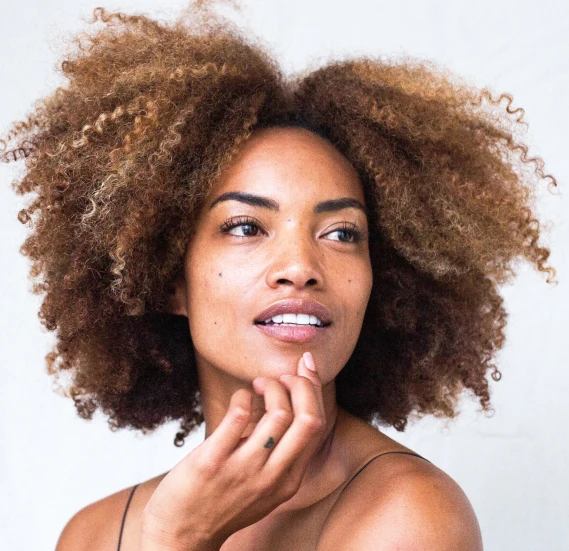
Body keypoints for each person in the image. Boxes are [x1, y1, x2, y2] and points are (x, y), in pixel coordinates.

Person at [1, 2, 557, 550]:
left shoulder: (411, 515)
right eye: (246, 226)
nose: (300, 268)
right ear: (169, 278)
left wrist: (178, 541)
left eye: (341, 233)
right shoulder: (95, 534)